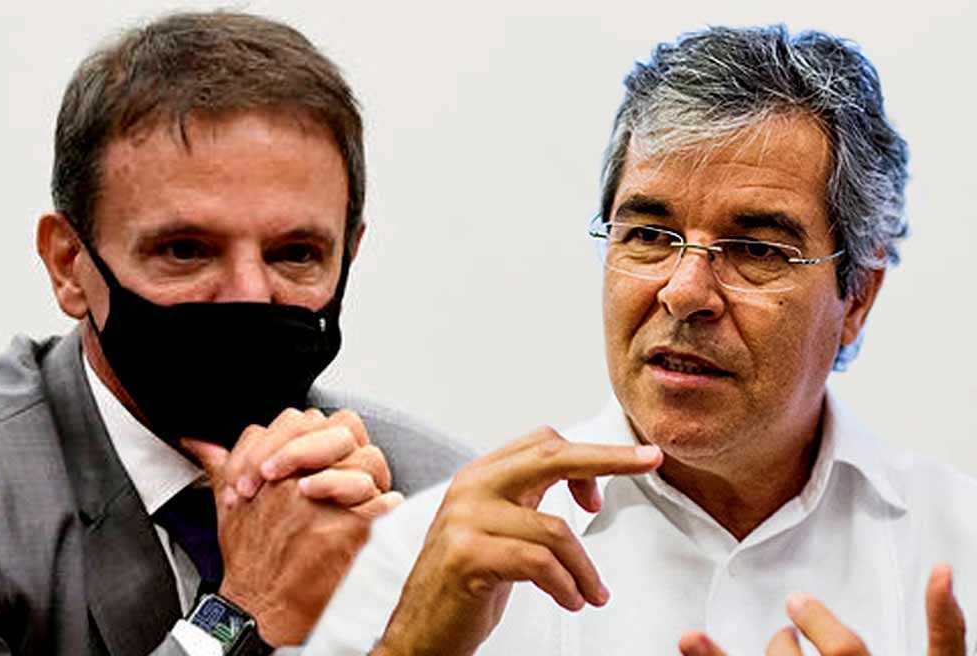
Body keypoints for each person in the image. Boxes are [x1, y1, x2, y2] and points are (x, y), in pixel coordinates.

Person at [304, 24, 977, 655]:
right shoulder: (424, 558)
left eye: (755, 249)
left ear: (857, 297)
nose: (684, 292)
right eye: (650, 236)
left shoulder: (960, 549)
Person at [0, 11, 470, 656]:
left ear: (349, 255)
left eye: (296, 254)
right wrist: (246, 610)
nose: (249, 294)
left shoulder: (430, 500)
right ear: (68, 265)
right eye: (185, 249)